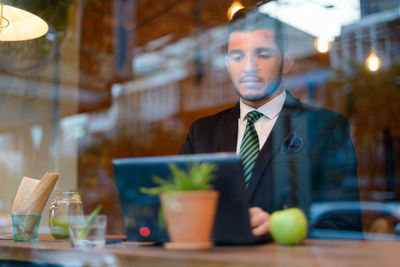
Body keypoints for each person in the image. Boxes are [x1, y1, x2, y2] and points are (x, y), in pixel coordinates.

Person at [180, 9, 362, 238]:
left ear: (286, 62)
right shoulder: (202, 133)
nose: (249, 66)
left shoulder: (327, 128)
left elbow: (346, 226)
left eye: (263, 55)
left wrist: (278, 228)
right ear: (228, 64)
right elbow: (177, 209)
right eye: (237, 57)